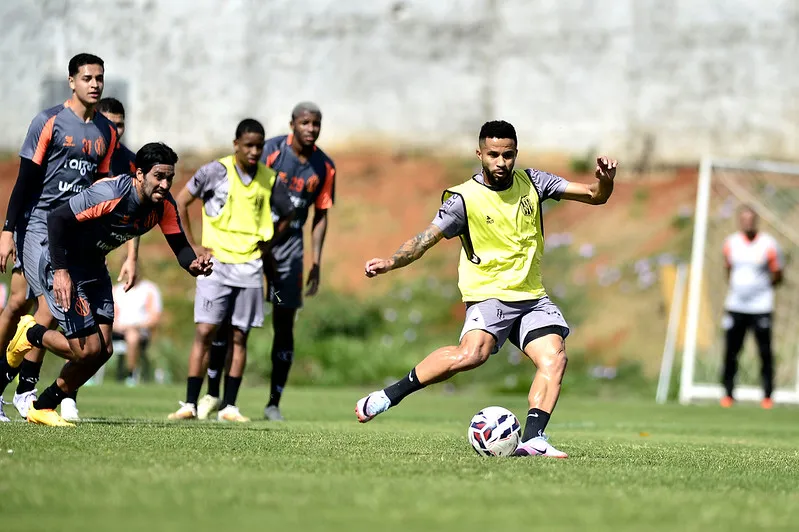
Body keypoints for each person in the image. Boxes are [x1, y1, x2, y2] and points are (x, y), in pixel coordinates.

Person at [355, 121, 618, 458]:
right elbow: (424, 240)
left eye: (508, 155)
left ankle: (534, 439)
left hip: (531, 295)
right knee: (472, 355)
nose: (501, 162)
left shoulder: (533, 183)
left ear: (515, 154)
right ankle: (387, 396)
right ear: (480, 153)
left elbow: (595, 196)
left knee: (554, 358)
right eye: (493, 154)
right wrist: (392, 262)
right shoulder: (463, 199)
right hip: (488, 294)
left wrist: (605, 181)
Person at [5, 142, 213, 426]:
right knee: (86, 350)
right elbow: (57, 220)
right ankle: (31, 333)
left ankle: (43, 406)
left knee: (103, 351)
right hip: (63, 262)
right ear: (139, 174)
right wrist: (62, 272)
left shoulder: (163, 206)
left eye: (169, 178)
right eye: (159, 176)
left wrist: (194, 265)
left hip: (93, 267)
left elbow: (181, 248)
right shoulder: (111, 192)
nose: (165, 184)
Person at [0, 53, 136, 423]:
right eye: (87, 77)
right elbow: (25, 181)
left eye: (99, 78)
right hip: (39, 228)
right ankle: (23, 388)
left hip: (74, 235)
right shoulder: (49, 122)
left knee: (63, 321)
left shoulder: (105, 133)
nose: (94, 84)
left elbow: (104, 194)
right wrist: (8, 231)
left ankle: (25, 391)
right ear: (72, 81)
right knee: (30, 308)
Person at [201, 102, 335, 421]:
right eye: (305, 123)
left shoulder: (324, 167)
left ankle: (274, 401)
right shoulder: (270, 151)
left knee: (284, 322)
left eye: (316, 124)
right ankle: (213, 394)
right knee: (227, 321)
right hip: (251, 246)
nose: (311, 129)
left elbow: (321, 215)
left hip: (288, 252)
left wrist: (316, 261)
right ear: (292, 124)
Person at [168, 119, 293, 422]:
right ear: (236, 143)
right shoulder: (215, 171)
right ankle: (189, 403)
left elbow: (289, 214)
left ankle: (230, 407)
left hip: (250, 266)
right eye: (248, 145)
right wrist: (193, 246)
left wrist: (268, 244)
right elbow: (181, 201)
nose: (254, 151)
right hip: (217, 266)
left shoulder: (269, 178)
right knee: (204, 332)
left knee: (240, 336)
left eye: (259, 146)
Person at [720, 206, 783, 409]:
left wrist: (762, 290)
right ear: (740, 221)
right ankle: (728, 394)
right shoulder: (731, 243)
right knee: (731, 351)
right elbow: (728, 269)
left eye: (751, 219)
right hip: (736, 305)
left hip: (761, 307)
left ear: (756, 221)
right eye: (744, 219)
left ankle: (767, 395)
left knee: (764, 352)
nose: (747, 222)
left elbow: (777, 273)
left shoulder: (768, 244)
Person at [112, 274, 163, 385]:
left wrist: (137, 326)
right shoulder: (115, 290)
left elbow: (155, 318)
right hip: (118, 330)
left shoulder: (149, 289)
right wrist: (119, 326)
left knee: (132, 336)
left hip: (141, 331)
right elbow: (111, 317)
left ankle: (131, 374)